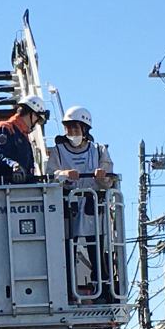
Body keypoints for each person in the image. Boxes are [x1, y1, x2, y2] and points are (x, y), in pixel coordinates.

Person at [46, 106, 115, 302]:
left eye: (76, 129)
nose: (72, 133)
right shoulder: (58, 151)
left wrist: (102, 176)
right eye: (69, 129)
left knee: (97, 251)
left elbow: (109, 179)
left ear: (85, 129)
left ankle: (102, 290)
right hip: (69, 207)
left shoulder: (99, 150)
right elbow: (50, 174)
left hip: (93, 207)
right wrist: (64, 175)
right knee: (68, 250)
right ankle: (67, 291)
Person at [0, 95, 48, 183]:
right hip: (5, 186)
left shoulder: (24, 135)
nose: (36, 123)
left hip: (24, 186)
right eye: (37, 119)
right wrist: (13, 165)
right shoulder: (5, 128)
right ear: (32, 114)